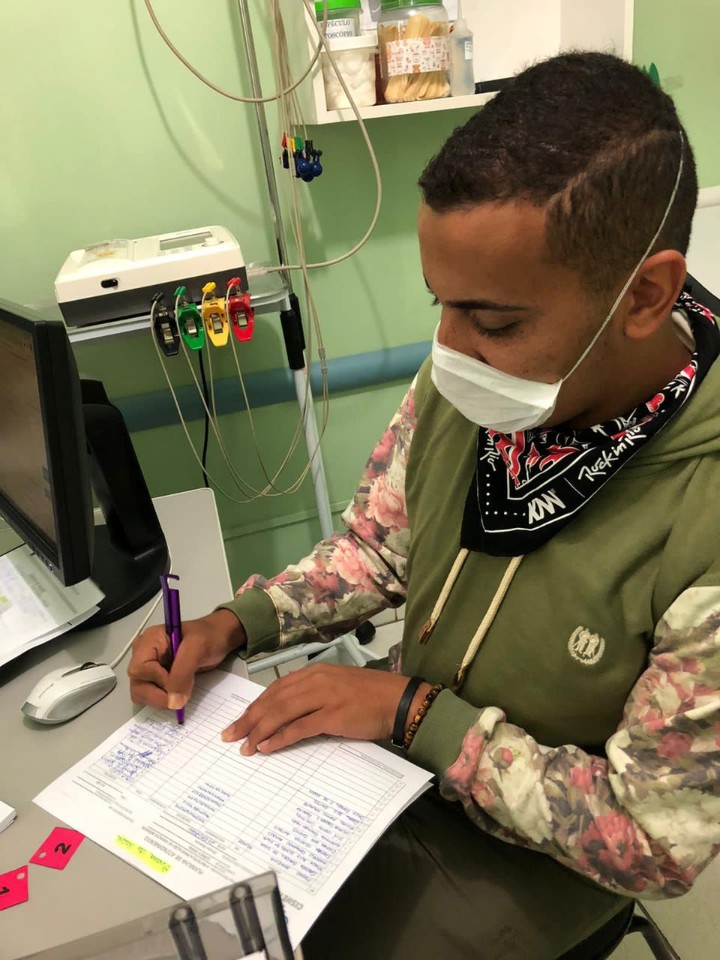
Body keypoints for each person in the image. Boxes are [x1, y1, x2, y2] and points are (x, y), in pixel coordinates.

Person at [129, 52, 720, 959]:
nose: (447, 351)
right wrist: (236, 624)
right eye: (440, 305)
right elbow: (378, 548)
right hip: (399, 772)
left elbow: (651, 842)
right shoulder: (481, 381)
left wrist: (414, 714)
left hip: (542, 863)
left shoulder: (701, 512)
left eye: (494, 322)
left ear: (644, 295)